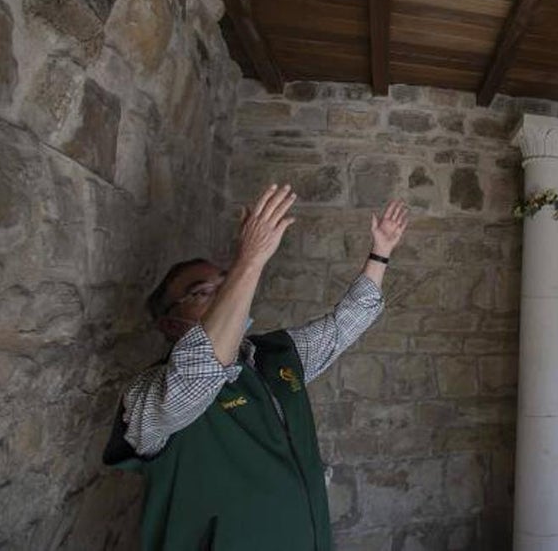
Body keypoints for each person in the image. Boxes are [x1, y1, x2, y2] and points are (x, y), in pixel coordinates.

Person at [103, 183, 409, 551]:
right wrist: (248, 261)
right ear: (170, 323)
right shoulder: (148, 394)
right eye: (204, 292)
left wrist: (381, 252)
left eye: (225, 284)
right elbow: (202, 373)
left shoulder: (274, 357)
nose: (225, 294)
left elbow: (346, 323)